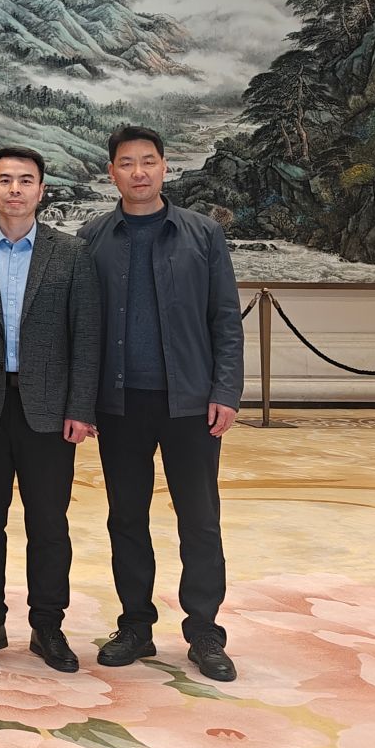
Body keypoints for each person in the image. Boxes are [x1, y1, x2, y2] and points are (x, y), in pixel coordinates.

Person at [79, 125, 244, 683]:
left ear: (164, 166)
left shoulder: (202, 234)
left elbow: (226, 319)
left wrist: (226, 391)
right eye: (127, 163)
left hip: (191, 403)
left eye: (148, 161)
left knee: (199, 519)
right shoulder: (93, 237)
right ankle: (135, 626)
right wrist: (82, 401)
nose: (139, 172)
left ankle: (205, 632)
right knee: (126, 518)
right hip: (119, 404)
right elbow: (82, 326)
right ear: (112, 173)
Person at [0, 147, 102, 674]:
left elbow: (85, 337)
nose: (15, 189)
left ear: (41, 190)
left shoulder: (71, 253)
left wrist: (81, 407)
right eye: (5, 180)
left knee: (49, 522)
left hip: (49, 410)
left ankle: (47, 624)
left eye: (25, 180)